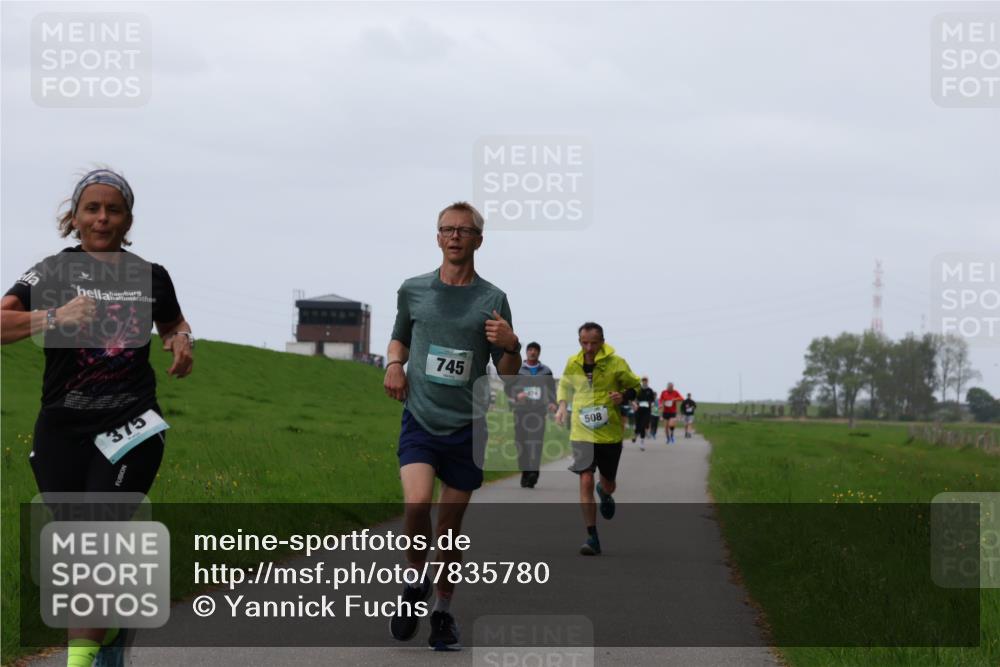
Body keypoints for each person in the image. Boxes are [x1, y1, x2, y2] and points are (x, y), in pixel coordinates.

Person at [1, 168, 194, 667]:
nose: (103, 217)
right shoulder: (50, 272)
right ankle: (108, 632)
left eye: (113, 209)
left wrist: (180, 341)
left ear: (128, 219)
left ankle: (79, 659)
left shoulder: (150, 274)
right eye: (93, 208)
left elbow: (172, 321)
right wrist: (53, 317)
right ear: (76, 217)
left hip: (131, 425)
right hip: (62, 427)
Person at [383, 201, 521, 651]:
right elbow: (400, 333)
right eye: (447, 229)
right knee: (418, 504)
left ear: (479, 240)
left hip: (467, 426)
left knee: (448, 531)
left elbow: (509, 370)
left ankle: (441, 613)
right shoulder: (413, 290)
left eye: (464, 230)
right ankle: (413, 582)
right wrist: (394, 364)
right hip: (421, 417)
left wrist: (512, 344)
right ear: (438, 237)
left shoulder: (492, 299)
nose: (455, 236)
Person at [555, 323, 640, 556]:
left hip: (609, 432)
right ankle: (591, 535)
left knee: (609, 482)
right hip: (581, 431)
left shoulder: (616, 363)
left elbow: (636, 386)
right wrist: (562, 406)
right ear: (579, 341)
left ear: (602, 341)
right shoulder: (573, 362)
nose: (589, 347)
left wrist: (622, 396)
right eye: (584, 342)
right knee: (584, 479)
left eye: (593, 343)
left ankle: (605, 491)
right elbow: (564, 385)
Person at [504, 341, 556, 488]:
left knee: (536, 442)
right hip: (520, 411)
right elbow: (507, 388)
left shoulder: (546, 371)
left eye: (536, 350)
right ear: (526, 352)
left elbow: (552, 389)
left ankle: (533, 473)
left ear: (539, 353)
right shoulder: (518, 370)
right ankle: (525, 472)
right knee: (521, 442)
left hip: (538, 412)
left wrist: (553, 403)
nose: (533, 352)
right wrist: (516, 396)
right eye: (530, 350)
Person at [631, 376, 657, 451]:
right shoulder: (638, 390)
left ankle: (642, 443)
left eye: (646, 381)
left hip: (646, 411)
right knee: (638, 425)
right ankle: (635, 435)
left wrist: (651, 404)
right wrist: (635, 404)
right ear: (642, 382)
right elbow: (633, 399)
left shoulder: (650, 390)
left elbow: (652, 400)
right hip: (638, 410)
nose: (644, 382)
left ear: (647, 382)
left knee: (643, 426)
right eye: (643, 381)